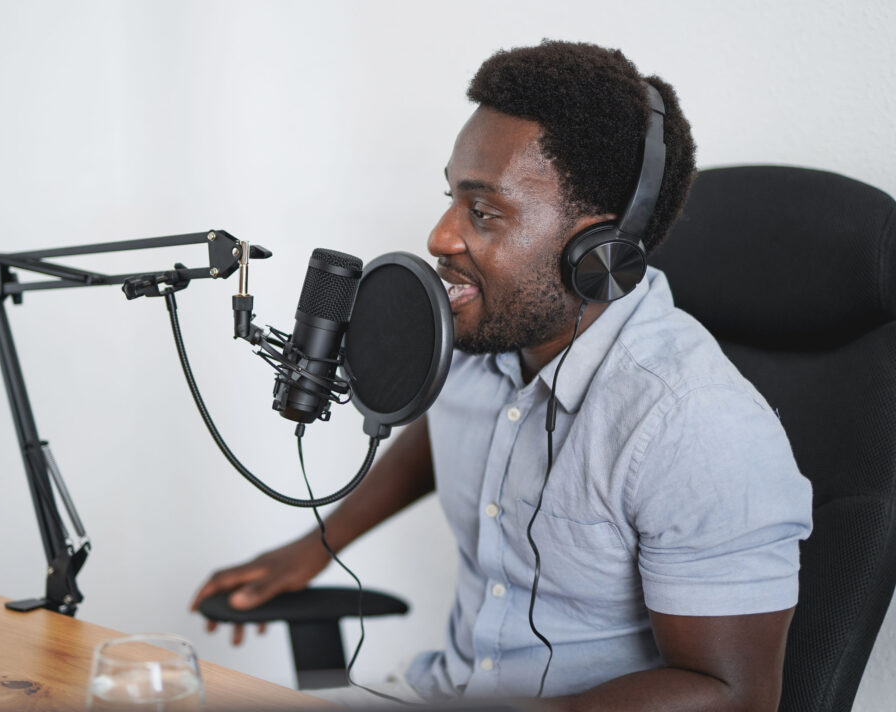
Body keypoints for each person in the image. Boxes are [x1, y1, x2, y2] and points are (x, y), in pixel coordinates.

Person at [191, 40, 813, 710]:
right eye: (451, 199)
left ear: (596, 252)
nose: (440, 236)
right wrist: (316, 544)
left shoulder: (696, 425)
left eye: (483, 210)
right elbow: (446, 429)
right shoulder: (479, 337)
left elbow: (735, 694)